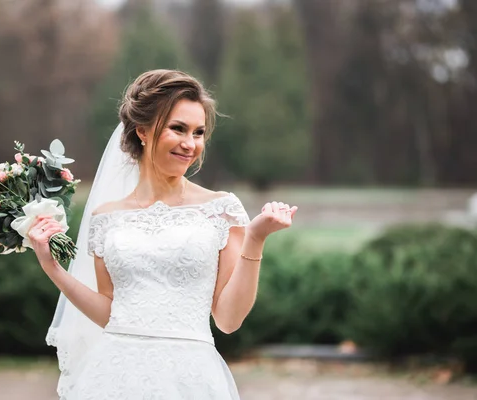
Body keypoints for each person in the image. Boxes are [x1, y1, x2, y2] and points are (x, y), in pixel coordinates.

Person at [28, 69, 297, 399]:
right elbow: (110, 311)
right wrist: (52, 268)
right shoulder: (106, 218)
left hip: (190, 379)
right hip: (114, 377)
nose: (190, 144)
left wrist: (255, 238)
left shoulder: (221, 210)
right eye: (178, 129)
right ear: (142, 130)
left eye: (198, 133)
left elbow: (228, 319)